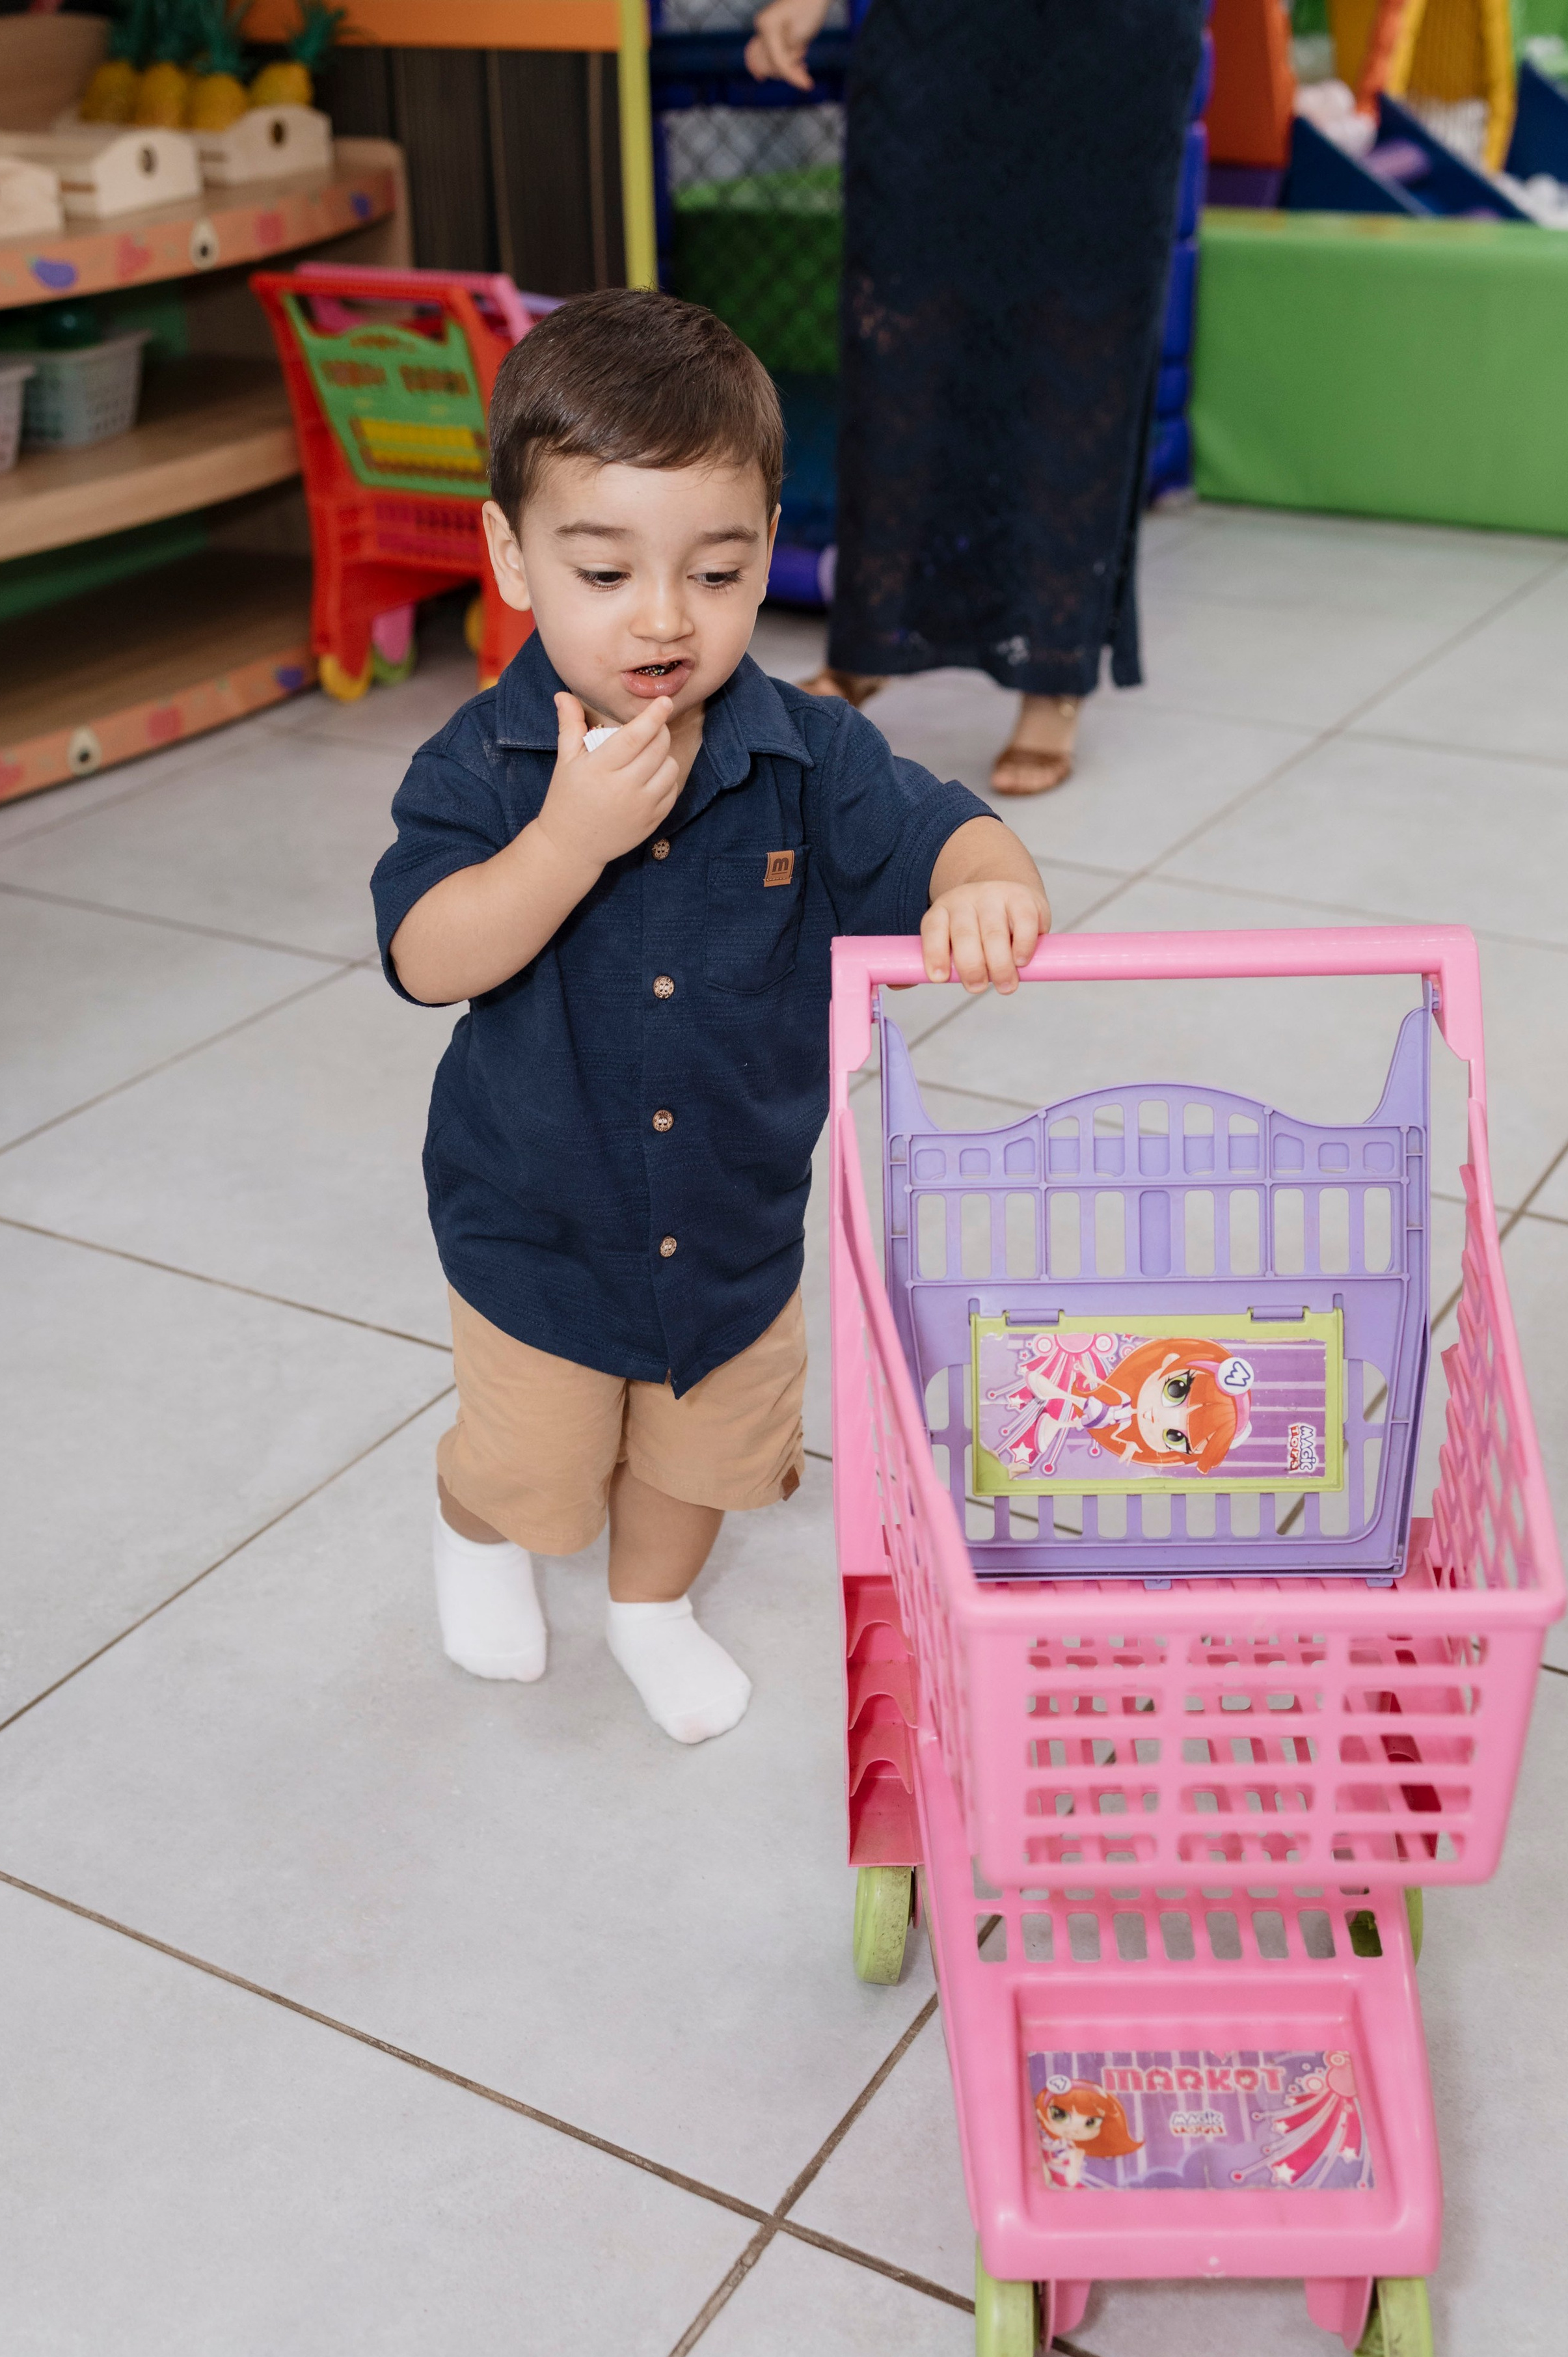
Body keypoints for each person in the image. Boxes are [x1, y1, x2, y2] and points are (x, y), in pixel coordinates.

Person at [371, 290, 1048, 1745]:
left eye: (719, 571)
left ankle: (648, 1609)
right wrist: (563, 841)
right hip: (533, 1225)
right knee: (532, 1463)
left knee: (701, 1464)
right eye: (605, 570)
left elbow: (945, 831)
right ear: (511, 557)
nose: (665, 619)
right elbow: (428, 955)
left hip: (733, 1228)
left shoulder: (808, 755)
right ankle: (474, 1534)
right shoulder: (482, 761)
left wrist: (986, 884)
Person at [748, 0, 1204, 797]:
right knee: (898, 310)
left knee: (1080, 323)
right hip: (937, 27)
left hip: (1112, 38)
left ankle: (1054, 664)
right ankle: (871, 635)